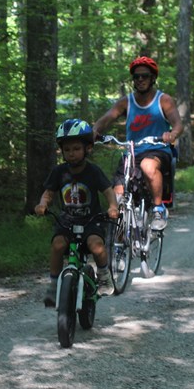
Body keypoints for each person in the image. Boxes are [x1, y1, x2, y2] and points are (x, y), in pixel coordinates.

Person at [33, 119, 119, 306]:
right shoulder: (59, 172)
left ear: (88, 148)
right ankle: (54, 285)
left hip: (91, 220)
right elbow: (48, 193)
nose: (71, 154)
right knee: (57, 244)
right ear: (62, 151)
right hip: (67, 221)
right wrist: (42, 204)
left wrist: (113, 207)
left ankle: (104, 275)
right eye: (67, 150)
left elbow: (108, 191)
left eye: (76, 149)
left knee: (96, 245)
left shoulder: (93, 171)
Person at [91, 55, 183, 231]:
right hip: (132, 153)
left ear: (153, 78)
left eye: (145, 76)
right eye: (136, 76)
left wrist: (172, 134)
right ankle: (119, 244)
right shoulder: (127, 101)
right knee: (117, 198)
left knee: (148, 166)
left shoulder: (163, 100)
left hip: (157, 149)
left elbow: (178, 124)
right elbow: (107, 118)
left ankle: (158, 209)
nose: (140, 79)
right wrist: (95, 131)